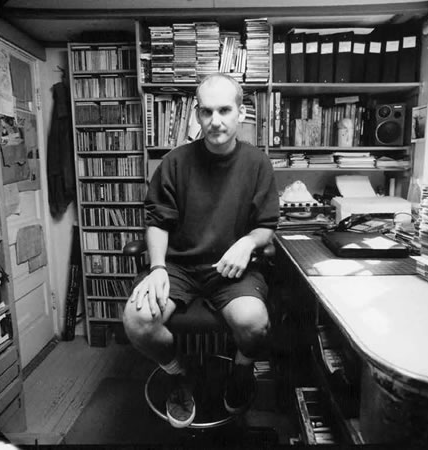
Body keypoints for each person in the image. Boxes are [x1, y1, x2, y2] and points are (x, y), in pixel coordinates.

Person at [123, 73, 279, 428]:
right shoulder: (175, 162)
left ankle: (242, 370)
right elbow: (158, 220)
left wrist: (249, 241)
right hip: (178, 268)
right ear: (196, 114)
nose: (216, 121)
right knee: (137, 322)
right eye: (207, 112)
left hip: (232, 271)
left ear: (240, 112)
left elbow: (267, 225)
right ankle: (178, 375)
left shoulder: (258, 164)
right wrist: (158, 267)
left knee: (254, 323)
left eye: (225, 110)